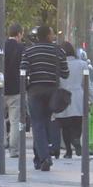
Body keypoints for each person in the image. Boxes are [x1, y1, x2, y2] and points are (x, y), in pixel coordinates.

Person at [23, 25, 67, 171]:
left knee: (37, 124)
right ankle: (41, 157)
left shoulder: (29, 51)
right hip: (51, 91)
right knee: (46, 122)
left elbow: (23, 71)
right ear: (48, 35)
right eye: (53, 32)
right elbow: (65, 73)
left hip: (34, 91)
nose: (54, 35)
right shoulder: (58, 51)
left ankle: (43, 157)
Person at [53, 41, 85, 158]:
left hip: (63, 97)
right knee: (77, 122)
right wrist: (92, 97)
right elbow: (87, 83)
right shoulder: (82, 64)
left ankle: (68, 151)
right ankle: (76, 139)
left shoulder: (57, 65)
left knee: (65, 126)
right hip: (78, 96)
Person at [4, 23, 24, 157]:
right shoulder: (21, 48)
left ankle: (0, 144)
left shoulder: (1, 45)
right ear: (19, 34)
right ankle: (13, 150)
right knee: (15, 120)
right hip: (15, 87)